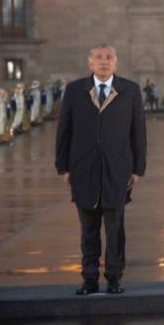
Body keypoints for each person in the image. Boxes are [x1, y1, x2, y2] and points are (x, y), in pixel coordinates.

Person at [55, 44, 147, 295]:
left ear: (116, 63)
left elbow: (138, 132)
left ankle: (115, 277)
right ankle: (89, 278)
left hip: (117, 171)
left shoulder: (129, 90)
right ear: (90, 63)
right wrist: (63, 167)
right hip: (82, 170)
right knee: (88, 229)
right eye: (99, 58)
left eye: (109, 58)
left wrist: (138, 169)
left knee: (115, 228)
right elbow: (64, 131)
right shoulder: (75, 91)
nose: (104, 62)